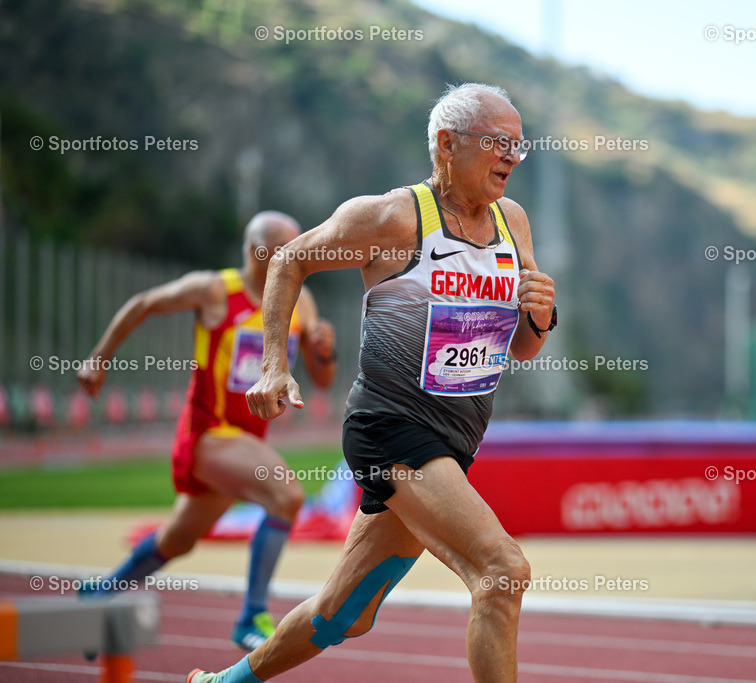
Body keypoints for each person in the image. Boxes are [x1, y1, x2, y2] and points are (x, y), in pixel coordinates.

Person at [187, 83, 555, 683]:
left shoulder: (512, 223)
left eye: (519, 145)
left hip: (454, 442)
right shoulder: (392, 218)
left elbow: (524, 346)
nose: (512, 156)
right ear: (446, 145)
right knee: (501, 571)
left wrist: (540, 312)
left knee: (343, 615)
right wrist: (276, 363)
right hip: (391, 432)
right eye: (497, 142)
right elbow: (289, 260)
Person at [77, 211, 337, 650]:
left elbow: (323, 379)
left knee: (177, 540)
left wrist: (323, 353)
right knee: (288, 495)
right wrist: (99, 358)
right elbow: (144, 303)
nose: (300, 254)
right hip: (208, 434)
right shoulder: (216, 290)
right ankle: (251, 615)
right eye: (289, 247)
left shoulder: (302, 302)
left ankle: (98, 593)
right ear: (260, 253)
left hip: (246, 444)